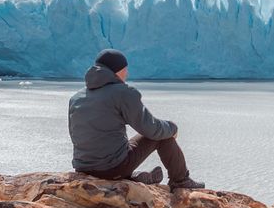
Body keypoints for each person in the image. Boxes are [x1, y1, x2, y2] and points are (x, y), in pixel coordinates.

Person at [68, 49, 204, 189]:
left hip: (83, 167)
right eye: (125, 69)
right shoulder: (123, 93)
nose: (126, 73)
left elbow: (74, 135)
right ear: (117, 70)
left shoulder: (76, 98)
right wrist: (172, 128)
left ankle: (131, 178)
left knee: (123, 141)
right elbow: (151, 129)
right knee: (162, 135)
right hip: (110, 169)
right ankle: (181, 181)